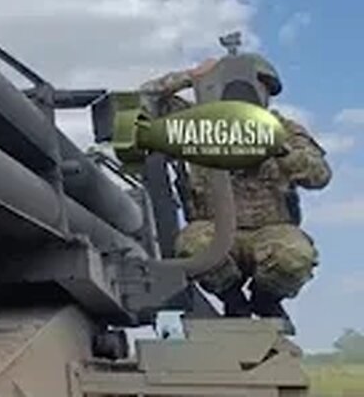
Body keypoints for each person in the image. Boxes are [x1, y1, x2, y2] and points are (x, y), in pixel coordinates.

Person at [139, 55, 331, 326]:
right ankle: (233, 301)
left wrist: (280, 150)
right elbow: (144, 101)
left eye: (257, 87)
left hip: (271, 230)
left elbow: (319, 176)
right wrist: (191, 77)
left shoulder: (286, 130)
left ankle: (266, 300)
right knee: (194, 245)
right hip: (214, 230)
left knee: (294, 256)